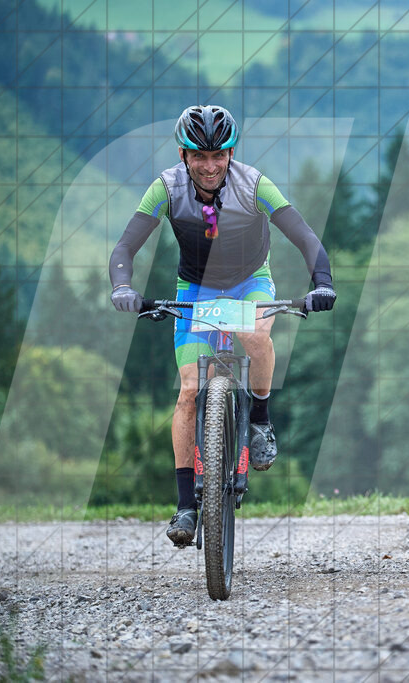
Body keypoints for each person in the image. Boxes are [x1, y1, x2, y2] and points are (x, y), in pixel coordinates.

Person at [109, 105, 336, 546]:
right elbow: (125, 246)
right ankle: (185, 506)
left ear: (231, 153)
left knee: (254, 333)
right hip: (196, 288)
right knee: (189, 390)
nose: (210, 166)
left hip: (251, 281)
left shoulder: (254, 184)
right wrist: (122, 286)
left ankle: (260, 419)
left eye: (219, 155)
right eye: (199, 156)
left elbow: (304, 235)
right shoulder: (166, 188)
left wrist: (322, 282)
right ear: (183, 154)